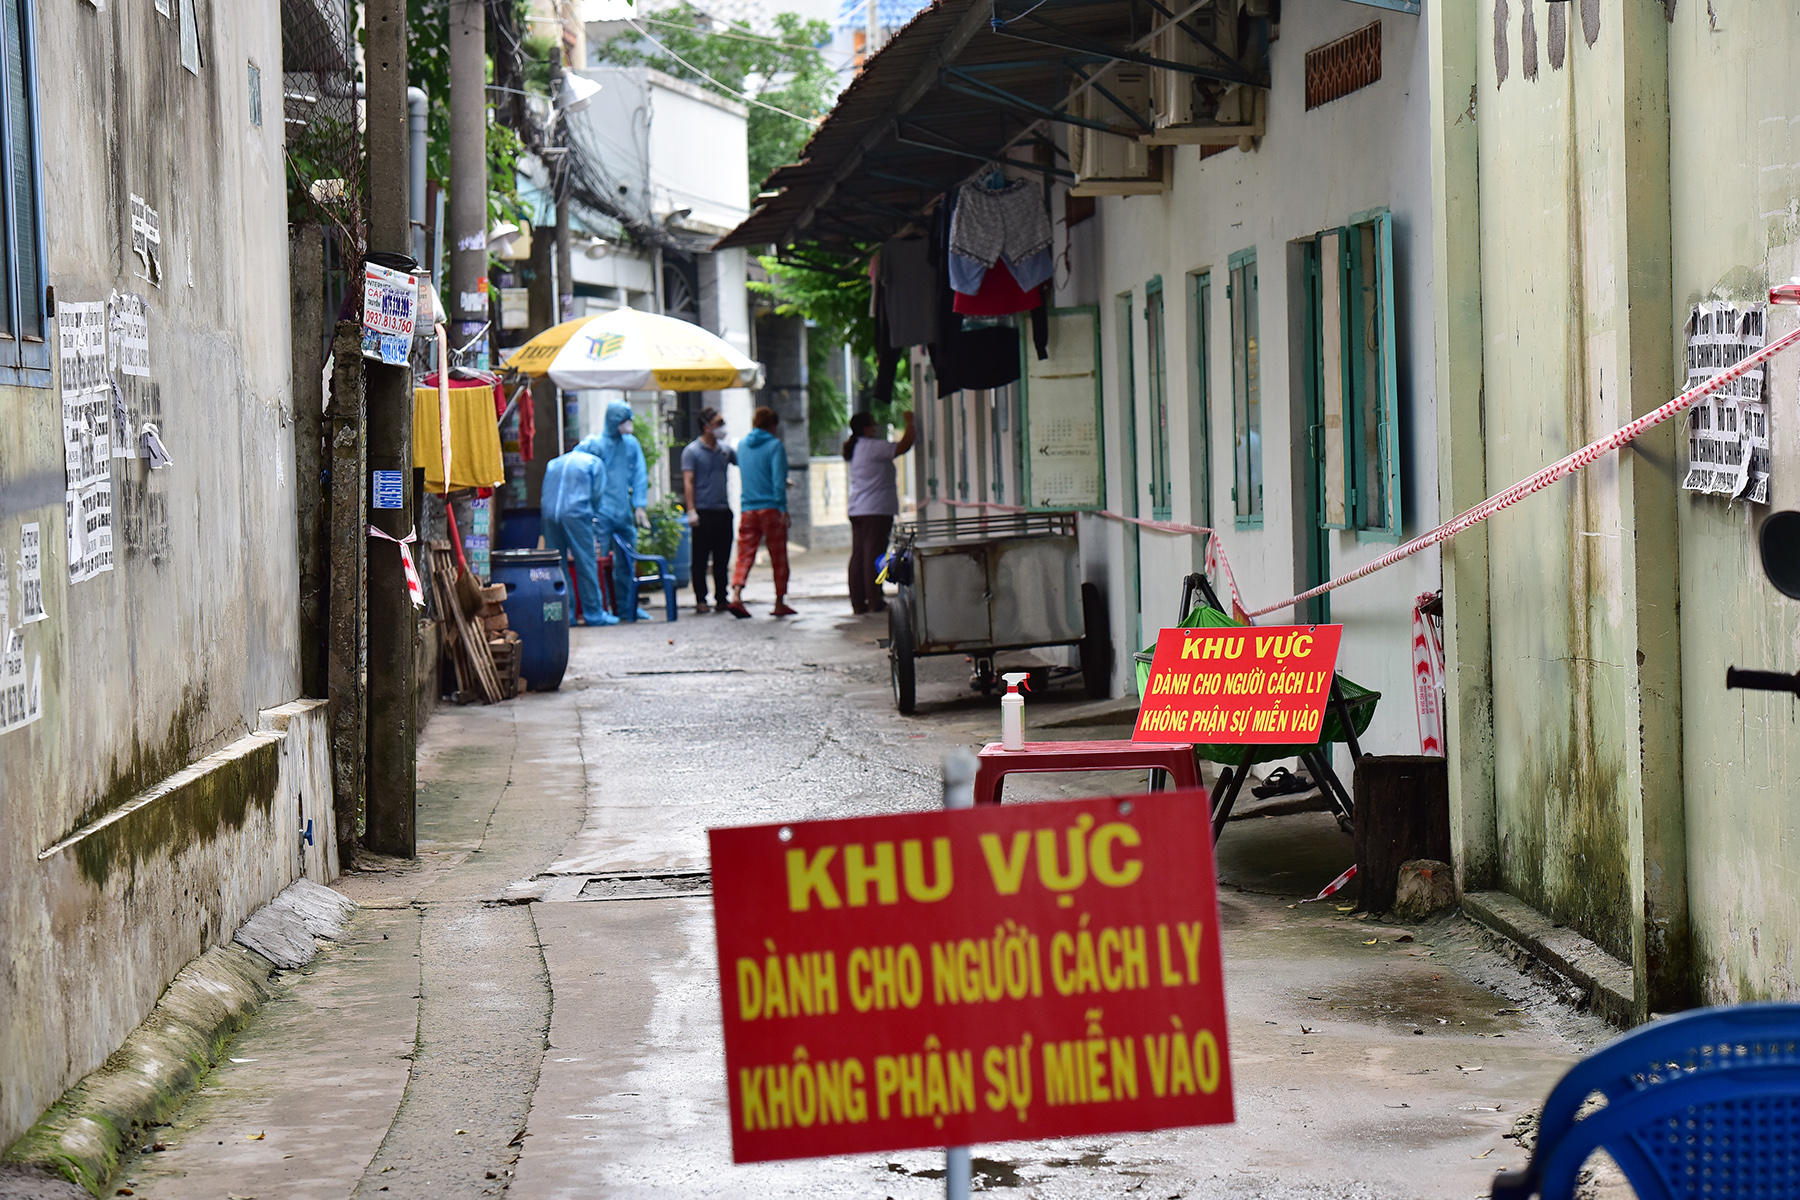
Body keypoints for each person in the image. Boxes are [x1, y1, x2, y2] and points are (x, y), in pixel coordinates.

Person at [577, 399, 651, 621]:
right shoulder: (594, 444)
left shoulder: (631, 445)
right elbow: (576, 465)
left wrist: (639, 505)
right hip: (600, 513)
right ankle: (601, 608)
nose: (628, 424)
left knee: (627, 561)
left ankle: (628, 607)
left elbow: (639, 474)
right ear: (614, 421)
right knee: (599, 563)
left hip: (623, 512)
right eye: (625, 420)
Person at [843, 409, 916, 614]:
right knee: (873, 555)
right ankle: (874, 599)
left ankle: (858, 602)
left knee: (858, 555)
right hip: (875, 510)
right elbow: (903, 446)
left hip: (858, 509)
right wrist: (910, 424)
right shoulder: (871, 447)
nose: (875, 428)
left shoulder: (857, 447)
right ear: (865, 428)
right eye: (872, 425)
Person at [725, 406, 794, 619]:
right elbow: (776, 480)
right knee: (778, 557)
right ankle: (779, 602)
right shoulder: (775, 446)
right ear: (772, 425)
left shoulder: (742, 445)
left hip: (748, 508)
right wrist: (782, 508)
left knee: (744, 554)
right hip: (771, 508)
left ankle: (736, 595)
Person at [540, 447, 619, 626]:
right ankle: (594, 614)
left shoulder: (554, 463)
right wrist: (593, 515)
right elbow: (597, 494)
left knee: (557, 566)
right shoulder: (594, 463)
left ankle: (565, 615)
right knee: (586, 564)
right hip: (577, 514)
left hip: (549, 514)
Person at [681, 406, 736, 614]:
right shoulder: (692, 451)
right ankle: (700, 598)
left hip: (723, 510)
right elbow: (689, 481)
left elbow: (745, 464)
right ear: (706, 427)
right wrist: (691, 510)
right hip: (703, 512)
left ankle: (722, 597)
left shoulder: (725, 450)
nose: (722, 428)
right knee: (701, 558)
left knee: (722, 558)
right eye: (718, 423)